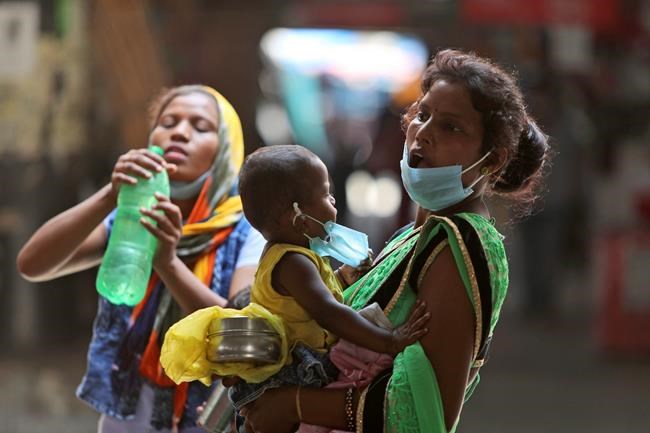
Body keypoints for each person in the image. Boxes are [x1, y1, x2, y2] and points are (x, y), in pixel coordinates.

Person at [236, 49, 551, 433]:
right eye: (423, 114)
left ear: (492, 160)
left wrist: (294, 404)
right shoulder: (411, 236)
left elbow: (420, 410)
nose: (425, 132)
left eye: (451, 127)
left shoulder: (461, 242)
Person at [16, 85, 266, 432]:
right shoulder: (134, 215)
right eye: (168, 122)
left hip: (205, 418)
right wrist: (110, 195)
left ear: (225, 148)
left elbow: (240, 336)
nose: (180, 133)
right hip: (126, 416)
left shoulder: (248, 229)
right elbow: (32, 264)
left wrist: (167, 263)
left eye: (200, 127)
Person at [230, 145, 429, 423]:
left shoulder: (298, 254)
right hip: (289, 373)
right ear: (299, 219)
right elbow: (328, 313)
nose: (333, 199)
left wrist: (342, 278)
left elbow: (305, 301)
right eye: (325, 194)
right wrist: (389, 341)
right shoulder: (293, 262)